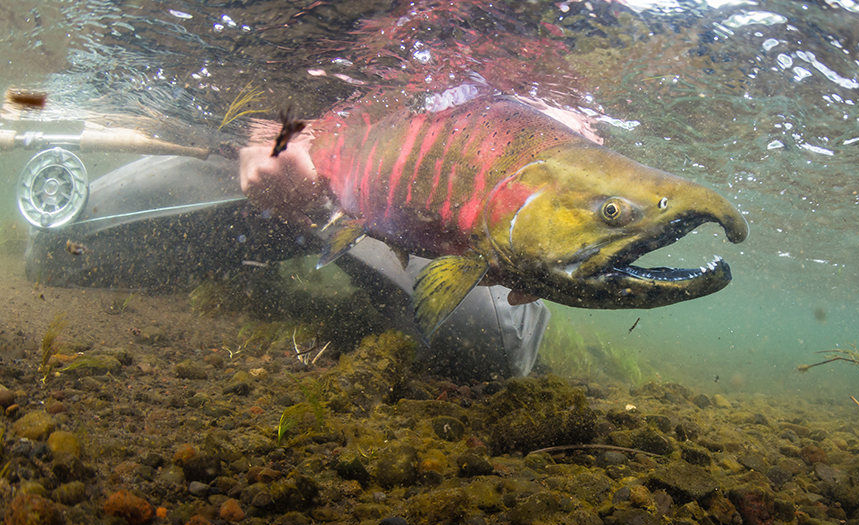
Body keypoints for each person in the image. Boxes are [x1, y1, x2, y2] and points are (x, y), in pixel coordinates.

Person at [20, 142, 550, 380]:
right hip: (242, 164)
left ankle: (303, 235)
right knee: (51, 252)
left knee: (495, 345)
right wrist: (262, 139)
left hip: (403, 200)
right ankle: (249, 244)